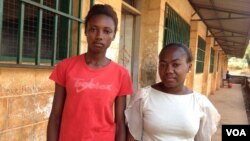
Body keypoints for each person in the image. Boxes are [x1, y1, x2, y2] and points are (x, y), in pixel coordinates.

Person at [47, 4, 133, 141]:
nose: (99, 36)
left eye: (107, 31)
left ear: (114, 35)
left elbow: (120, 123)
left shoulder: (121, 74)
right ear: (86, 31)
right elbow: (55, 117)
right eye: (93, 29)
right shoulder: (65, 67)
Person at [125, 43, 220, 141]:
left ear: (189, 67)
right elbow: (132, 137)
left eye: (175, 65)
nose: (168, 70)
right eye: (163, 65)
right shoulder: (143, 97)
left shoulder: (201, 103)